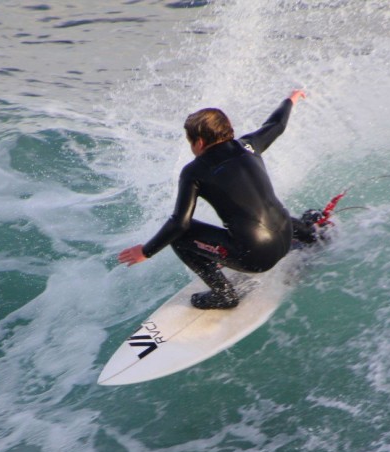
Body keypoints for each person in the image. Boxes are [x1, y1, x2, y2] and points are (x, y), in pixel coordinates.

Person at [117, 89, 318, 309]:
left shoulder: (194, 171)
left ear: (200, 142)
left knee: (180, 236)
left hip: (258, 257)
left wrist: (146, 252)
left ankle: (224, 295)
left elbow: (180, 223)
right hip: (287, 235)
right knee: (261, 206)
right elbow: (276, 125)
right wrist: (290, 99)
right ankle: (309, 234)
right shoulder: (249, 145)